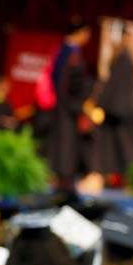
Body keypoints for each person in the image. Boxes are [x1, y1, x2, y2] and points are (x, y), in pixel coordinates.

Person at [43, 22, 95, 190]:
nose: (88, 38)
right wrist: (80, 104)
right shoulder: (70, 53)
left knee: (63, 144)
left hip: (63, 107)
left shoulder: (63, 50)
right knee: (65, 144)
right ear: (79, 33)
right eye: (86, 33)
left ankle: (62, 179)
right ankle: (64, 182)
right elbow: (68, 84)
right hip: (67, 108)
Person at [93, 32, 133, 179]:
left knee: (127, 149)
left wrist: (102, 102)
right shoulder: (124, 57)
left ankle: (127, 177)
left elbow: (116, 84)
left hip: (120, 110)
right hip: (123, 110)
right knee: (123, 148)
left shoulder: (123, 58)